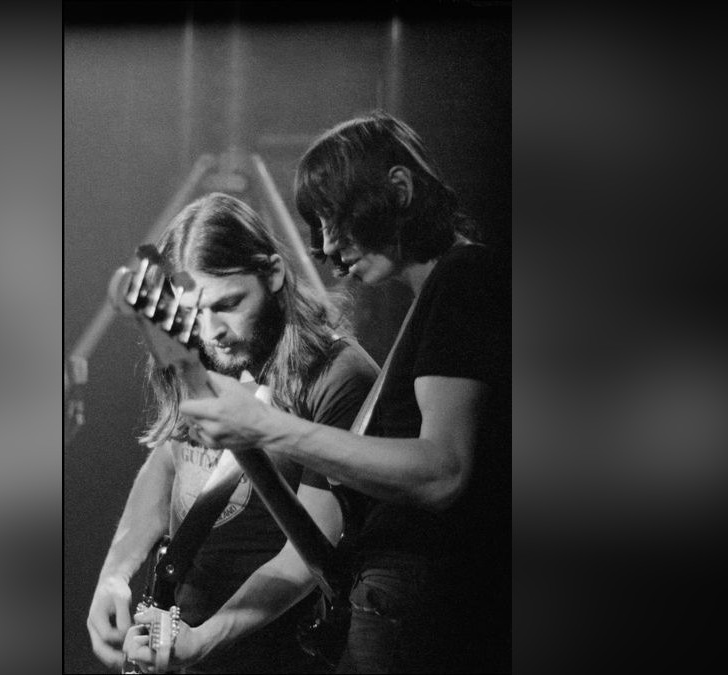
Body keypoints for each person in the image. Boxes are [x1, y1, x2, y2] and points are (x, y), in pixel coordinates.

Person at [162, 112, 510, 673]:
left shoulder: (464, 279)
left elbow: (444, 470)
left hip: (418, 621)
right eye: (317, 225)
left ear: (398, 189)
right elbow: (318, 541)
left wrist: (271, 428)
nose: (327, 246)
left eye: (336, 219)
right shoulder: (432, 300)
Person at [87, 192, 379, 673]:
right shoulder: (199, 345)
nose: (211, 330)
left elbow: (309, 553)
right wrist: (115, 573)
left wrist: (204, 639)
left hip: (274, 654)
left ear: (273, 274)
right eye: (195, 312)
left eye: (228, 304)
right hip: (184, 638)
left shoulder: (339, 375)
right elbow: (169, 460)